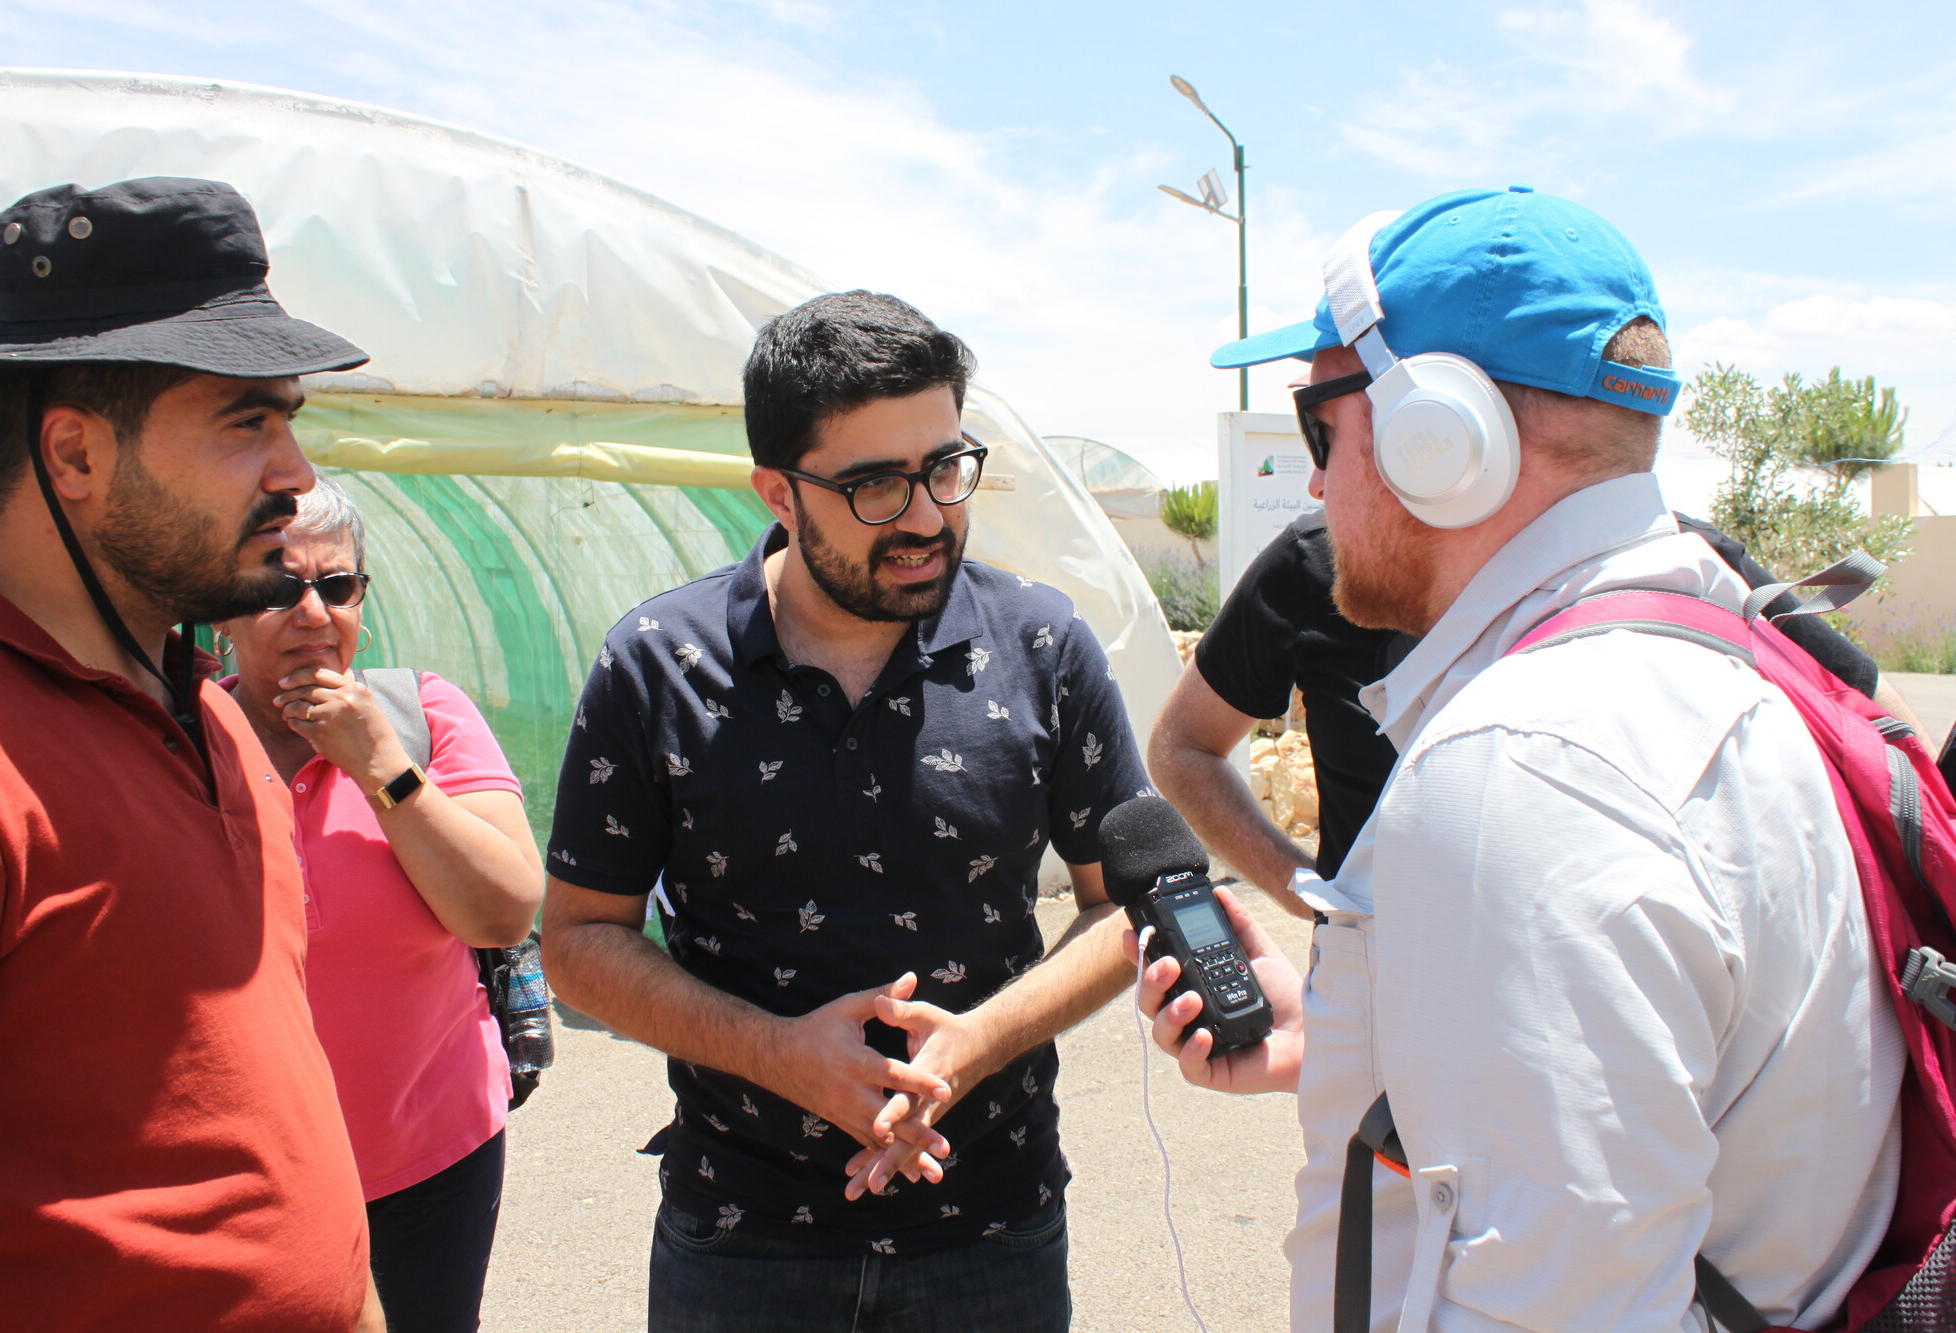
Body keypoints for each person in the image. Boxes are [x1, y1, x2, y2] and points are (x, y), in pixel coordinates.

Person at [1137, 188, 1903, 1330]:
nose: (1314, 481)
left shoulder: (1526, 765)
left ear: (1437, 438)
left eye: (1320, 427)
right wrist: (1361, 1037)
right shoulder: (1727, 658)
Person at [543, 290, 1148, 1333]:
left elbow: (1121, 906)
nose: (925, 517)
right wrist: (777, 1054)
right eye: (873, 485)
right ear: (778, 492)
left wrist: (975, 1042)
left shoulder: (1042, 647)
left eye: (945, 469)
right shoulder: (658, 664)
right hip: (743, 1239)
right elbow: (579, 938)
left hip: (990, 1229)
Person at [0, 179, 381, 1329]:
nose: (296, 473)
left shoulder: (216, 711)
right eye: (247, 422)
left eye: (290, 420)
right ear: (74, 454)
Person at [1153, 505, 1910, 906]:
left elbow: (1887, 740)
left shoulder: (1681, 563)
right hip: (1382, 1030)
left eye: (1327, 428)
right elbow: (1182, 747)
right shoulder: (1314, 564)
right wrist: (1311, 897)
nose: (1319, 477)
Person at [216, 475, 542, 1333]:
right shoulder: (180, 738)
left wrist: (382, 766)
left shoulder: (424, 714)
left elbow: (504, 910)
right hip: (245, 1173)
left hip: (427, 1159)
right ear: (221, 608)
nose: (313, 613)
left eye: (338, 585)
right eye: (278, 587)